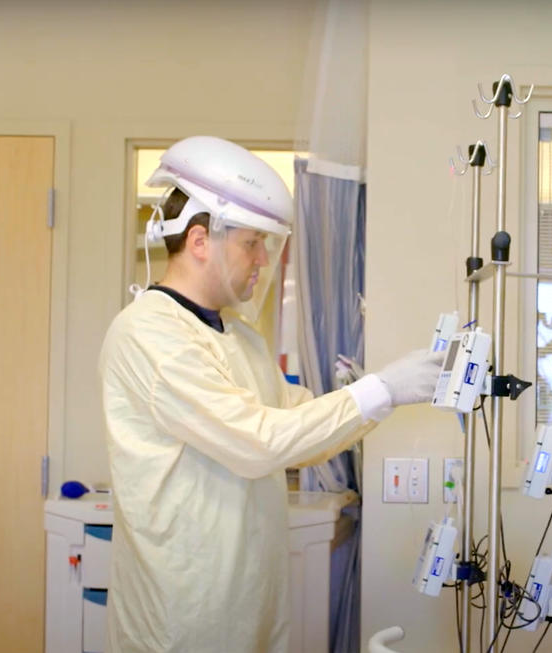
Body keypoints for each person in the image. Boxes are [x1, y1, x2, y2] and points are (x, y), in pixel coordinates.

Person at [98, 136, 441, 653]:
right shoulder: (150, 335)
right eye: (251, 243)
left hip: (248, 607)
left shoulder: (239, 337)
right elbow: (259, 443)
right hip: (183, 618)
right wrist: (381, 389)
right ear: (199, 240)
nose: (264, 260)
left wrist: (384, 392)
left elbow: (299, 426)